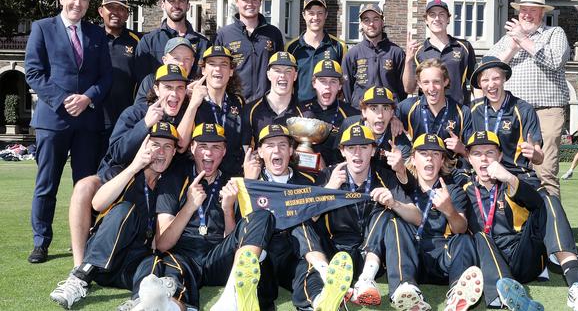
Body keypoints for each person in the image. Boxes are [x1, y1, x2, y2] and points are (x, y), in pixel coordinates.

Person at [24, 0, 112, 263]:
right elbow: (34, 73)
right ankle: (41, 242)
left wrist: (87, 98)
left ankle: (86, 241)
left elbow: (105, 77)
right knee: (46, 184)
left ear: (89, 5)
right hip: (53, 121)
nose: (77, 3)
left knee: (85, 185)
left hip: (87, 123)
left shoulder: (96, 35)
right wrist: (64, 99)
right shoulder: (42, 28)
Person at [462, 131, 578, 311]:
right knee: (480, 236)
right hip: (490, 258)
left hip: (524, 256)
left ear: (500, 156)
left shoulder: (513, 180)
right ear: (469, 158)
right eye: (477, 154)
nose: (484, 159)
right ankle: (509, 297)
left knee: (550, 201)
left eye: (490, 153)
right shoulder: (462, 187)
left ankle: (577, 287)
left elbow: (537, 203)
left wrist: (509, 178)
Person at [67, 63, 188, 267]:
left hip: (159, 182)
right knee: (83, 187)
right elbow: (116, 152)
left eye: (180, 88)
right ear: (156, 89)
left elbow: (183, 149)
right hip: (119, 174)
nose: (174, 94)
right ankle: (79, 265)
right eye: (168, 87)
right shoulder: (136, 112)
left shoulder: (187, 115)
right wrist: (145, 125)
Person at [147, 123, 276, 311]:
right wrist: (190, 206)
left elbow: (237, 241)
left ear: (223, 151)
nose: (208, 153)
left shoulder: (232, 183)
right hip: (184, 255)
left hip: (219, 257)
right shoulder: (173, 178)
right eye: (202, 146)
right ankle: (173, 306)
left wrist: (228, 209)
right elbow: (162, 243)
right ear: (192, 148)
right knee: (171, 274)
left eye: (215, 147)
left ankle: (230, 299)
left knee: (262, 216)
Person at [49, 122, 178, 309]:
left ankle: (140, 302)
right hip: (100, 260)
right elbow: (97, 203)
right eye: (155, 144)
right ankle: (80, 277)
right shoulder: (121, 171)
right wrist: (134, 167)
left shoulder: (168, 186)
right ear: (144, 146)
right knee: (126, 210)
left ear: (174, 153)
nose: (161, 151)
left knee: (154, 259)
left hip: (130, 267)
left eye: (167, 147)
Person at [243, 124, 354, 311]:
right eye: (270, 145)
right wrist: (249, 184)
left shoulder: (308, 180)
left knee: (308, 270)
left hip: (296, 253)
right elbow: (245, 227)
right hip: (264, 254)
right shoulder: (252, 180)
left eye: (282, 145)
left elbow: (315, 218)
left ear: (291, 150)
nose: (276, 150)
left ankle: (322, 299)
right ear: (260, 152)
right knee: (255, 284)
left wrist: (330, 189)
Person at [316, 124, 426, 310]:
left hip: (374, 258)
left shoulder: (384, 176)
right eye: (351, 148)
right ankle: (326, 279)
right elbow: (308, 218)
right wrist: (330, 190)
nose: (357, 154)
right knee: (301, 224)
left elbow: (417, 218)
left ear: (373, 150)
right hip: (338, 258)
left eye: (364, 147)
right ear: (342, 151)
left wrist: (395, 203)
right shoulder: (329, 175)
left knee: (389, 212)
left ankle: (390, 284)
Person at [486, 0, 570, 199]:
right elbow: (487, 69)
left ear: (542, 13)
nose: (526, 14)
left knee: (545, 173)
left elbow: (555, 61)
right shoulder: (508, 39)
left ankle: (551, 229)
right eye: (523, 10)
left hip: (546, 111)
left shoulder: (554, 33)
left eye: (532, 10)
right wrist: (512, 48)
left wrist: (524, 40)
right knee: (512, 171)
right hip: (515, 114)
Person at [406, 133, 483, 311]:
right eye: (424, 153)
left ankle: (458, 293)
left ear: (442, 161)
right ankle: (406, 287)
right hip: (413, 258)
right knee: (394, 224)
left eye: (435, 154)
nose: (430, 159)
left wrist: (449, 210)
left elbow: (461, 228)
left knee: (464, 240)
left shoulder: (453, 190)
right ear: (413, 158)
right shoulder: (404, 187)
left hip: (444, 259)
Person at [468, 56, 544, 180]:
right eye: (485, 80)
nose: (491, 84)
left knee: (550, 200)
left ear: (504, 78)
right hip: (483, 177)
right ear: (479, 84)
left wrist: (534, 154)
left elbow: (539, 158)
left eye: (496, 78)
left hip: (516, 176)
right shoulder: (472, 110)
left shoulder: (524, 110)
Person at [176, 45, 246, 177]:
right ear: (203, 70)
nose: (218, 69)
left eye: (224, 64)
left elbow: (245, 144)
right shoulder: (190, 101)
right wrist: (193, 105)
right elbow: (180, 146)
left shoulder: (238, 102)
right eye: (212, 64)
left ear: (231, 71)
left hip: (231, 179)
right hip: (197, 178)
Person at [214, 0, 285, 102]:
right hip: (234, 103)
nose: (250, 4)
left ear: (260, 2)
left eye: (254, 0)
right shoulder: (223, 35)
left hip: (266, 104)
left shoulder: (274, 34)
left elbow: (281, 68)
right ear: (237, 2)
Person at [404, 0, 477, 105]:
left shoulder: (464, 47)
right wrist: (408, 60)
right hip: (428, 115)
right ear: (426, 20)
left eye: (441, 14)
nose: (437, 18)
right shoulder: (418, 51)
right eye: (432, 15)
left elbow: (476, 82)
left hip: (458, 112)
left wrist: (478, 108)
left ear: (448, 19)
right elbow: (409, 89)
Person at [396, 59, 471, 160]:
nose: (431, 88)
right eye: (426, 82)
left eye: (436, 82)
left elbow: (475, 158)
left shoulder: (463, 112)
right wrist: (393, 119)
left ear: (445, 81)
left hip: (451, 171)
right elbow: (385, 116)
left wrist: (461, 149)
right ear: (419, 84)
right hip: (418, 170)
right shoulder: (407, 107)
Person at [134, 0, 209, 85]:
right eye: (171, 1)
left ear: (188, 6)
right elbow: (142, 79)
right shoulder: (149, 41)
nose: (176, 5)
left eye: (181, 1)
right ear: (163, 5)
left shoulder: (203, 44)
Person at [97, 0, 141, 154]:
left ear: (128, 14)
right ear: (101, 11)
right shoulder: (91, 37)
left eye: (121, 8)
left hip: (126, 120)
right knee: (89, 174)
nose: (115, 12)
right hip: (94, 120)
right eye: (110, 8)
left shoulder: (138, 41)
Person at [296, 59, 359, 167]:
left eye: (333, 81)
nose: (327, 86)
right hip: (305, 174)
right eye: (322, 81)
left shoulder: (351, 115)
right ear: (314, 83)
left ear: (340, 85)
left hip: (340, 173)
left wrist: (394, 119)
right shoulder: (300, 111)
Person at [341, 3, 406, 107]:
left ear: (382, 22)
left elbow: (403, 89)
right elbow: (346, 88)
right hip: (360, 113)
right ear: (361, 24)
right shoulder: (352, 54)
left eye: (375, 19)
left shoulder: (396, 52)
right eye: (366, 20)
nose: (371, 24)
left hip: (390, 113)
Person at [286, 0, 347, 102]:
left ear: (326, 15)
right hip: (300, 110)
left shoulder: (339, 46)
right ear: (304, 15)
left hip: (329, 112)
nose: (315, 17)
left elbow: (344, 82)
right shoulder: (291, 47)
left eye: (320, 13)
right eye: (311, 13)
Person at [339, 87, 411, 171]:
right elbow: (336, 160)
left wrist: (400, 169)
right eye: (373, 108)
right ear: (364, 112)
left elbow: (409, 179)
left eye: (385, 108)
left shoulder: (398, 136)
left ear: (392, 113)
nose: (380, 115)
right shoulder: (349, 126)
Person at [242, 51, 301, 148]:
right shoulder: (250, 110)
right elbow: (245, 148)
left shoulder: (305, 114)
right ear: (268, 75)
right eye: (277, 70)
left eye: (288, 71)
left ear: (295, 76)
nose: (282, 75)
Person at [135, 37, 196, 104]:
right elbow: (139, 110)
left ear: (192, 62)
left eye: (187, 59)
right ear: (165, 60)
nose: (181, 63)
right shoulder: (151, 81)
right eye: (176, 58)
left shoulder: (197, 84)